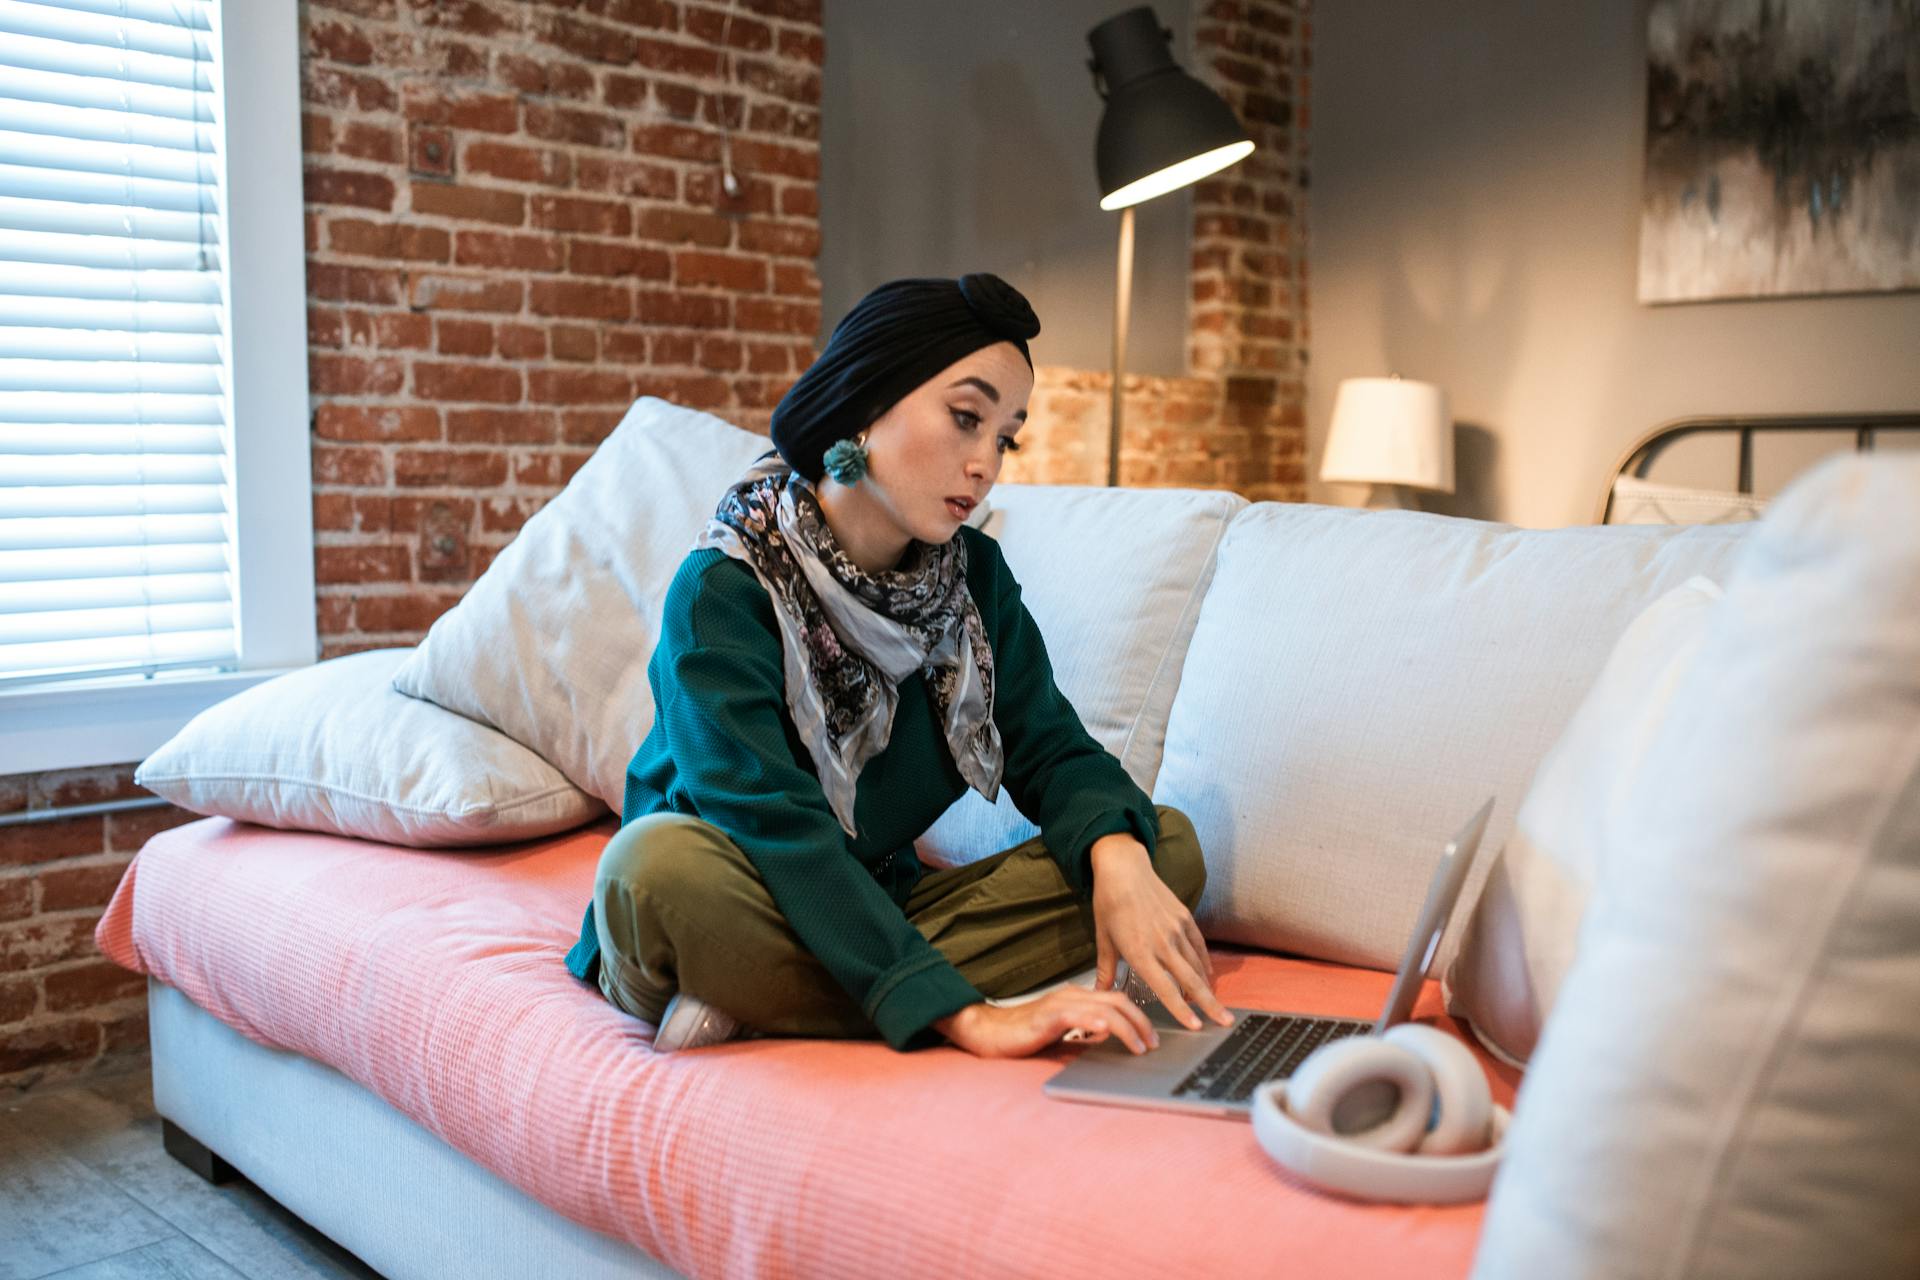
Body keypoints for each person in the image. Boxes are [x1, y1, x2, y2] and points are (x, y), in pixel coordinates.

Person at [562, 271, 1234, 1057]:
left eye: (1006, 436)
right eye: (964, 418)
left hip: (881, 906)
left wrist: (1116, 859)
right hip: (733, 887)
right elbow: (772, 822)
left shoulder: (973, 580)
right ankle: (898, 989)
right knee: (647, 869)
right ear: (865, 401)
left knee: (1160, 847)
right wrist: (974, 1016)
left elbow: (1052, 750)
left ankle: (774, 995)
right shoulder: (723, 588)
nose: (987, 464)